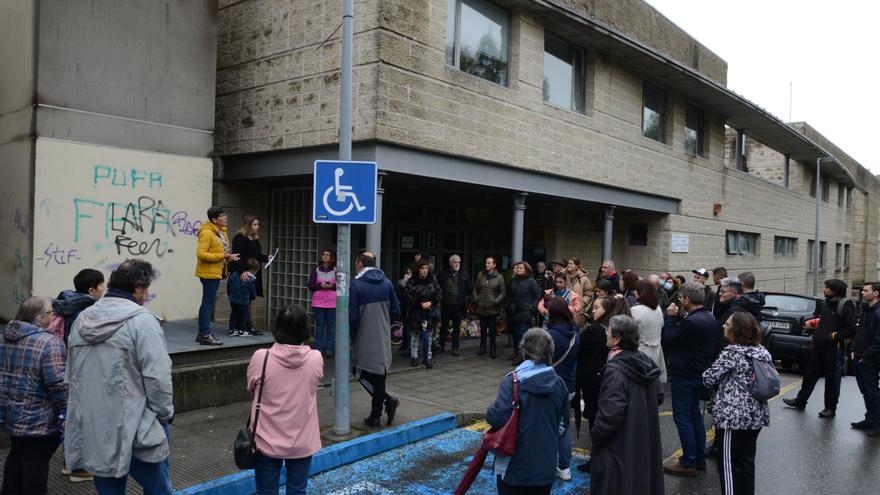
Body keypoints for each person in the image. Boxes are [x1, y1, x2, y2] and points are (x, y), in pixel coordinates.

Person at [65, 259, 174, 494]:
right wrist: (164, 413)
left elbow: (71, 374)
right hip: (138, 423)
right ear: (137, 287)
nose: (146, 295)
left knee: (109, 490)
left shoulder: (82, 319)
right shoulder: (143, 321)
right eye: (146, 289)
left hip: (94, 424)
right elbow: (158, 378)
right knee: (159, 489)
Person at [247, 304, 323, 495]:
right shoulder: (315, 358)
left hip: (265, 439)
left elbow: (252, 388)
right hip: (302, 440)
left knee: (266, 491)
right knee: (297, 491)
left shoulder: (261, 357)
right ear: (305, 330)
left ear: (277, 328)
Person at [486, 328, 569, 495]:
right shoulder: (559, 384)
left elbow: (496, 417)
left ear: (524, 350)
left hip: (514, 465)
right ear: (550, 351)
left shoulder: (512, 382)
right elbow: (562, 426)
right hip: (545, 467)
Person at [590, 315, 664, 495]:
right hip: (643, 436)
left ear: (617, 338)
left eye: (608, 331)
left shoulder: (615, 370)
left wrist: (596, 436)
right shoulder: (645, 361)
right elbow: (659, 395)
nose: (606, 333)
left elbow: (610, 413)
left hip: (620, 443)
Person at [0, 296, 68, 495]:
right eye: (51, 313)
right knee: (36, 461)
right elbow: (57, 383)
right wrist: (67, 410)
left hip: (10, 411)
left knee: (17, 453)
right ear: (41, 317)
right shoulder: (50, 342)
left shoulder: (4, 337)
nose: (53, 317)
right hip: (40, 415)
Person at [702, 312, 772, 495]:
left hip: (733, 418)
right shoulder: (762, 351)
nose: (723, 326)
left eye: (727, 324)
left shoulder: (731, 353)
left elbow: (709, 378)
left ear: (735, 330)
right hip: (756, 416)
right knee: (746, 462)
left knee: (727, 464)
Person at [661, 282, 717, 476]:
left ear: (687, 299)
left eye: (682, 297)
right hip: (698, 372)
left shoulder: (692, 322)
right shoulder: (709, 317)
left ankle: (688, 462)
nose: (680, 300)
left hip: (685, 374)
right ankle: (699, 458)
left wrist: (670, 319)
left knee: (683, 418)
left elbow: (670, 339)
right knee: (694, 417)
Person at [783, 279, 857, 418]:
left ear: (834, 291)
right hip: (819, 347)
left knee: (831, 380)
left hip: (834, 349)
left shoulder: (845, 306)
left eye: (827, 288)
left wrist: (834, 336)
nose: (824, 289)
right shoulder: (827, 304)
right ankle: (800, 401)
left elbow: (851, 329)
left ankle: (830, 408)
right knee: (809, 375)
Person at [575, 295, 630, 473]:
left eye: (597, 307)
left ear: (606, 310)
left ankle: (596, 460)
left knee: (595, 420)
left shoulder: (595, 330)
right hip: (603, 380)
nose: (593, 310)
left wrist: (578, 326)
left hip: (594, 382)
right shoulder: (610, 327)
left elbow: (577, 345)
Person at [350, 251, 402, 427]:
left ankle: (381, 409)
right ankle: (378, 412)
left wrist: (351, 337)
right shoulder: (387, 283)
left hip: (364, 337)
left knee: (358, 372)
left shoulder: (356, 285)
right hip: (383, 335)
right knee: (380, 375)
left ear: (359, 264)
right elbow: (396, 311)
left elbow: (353, 317)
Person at [545, 298, 580, 481]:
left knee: (546, 425)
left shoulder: (550, 336)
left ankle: (545, 463)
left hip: (550, 387)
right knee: (563, 427)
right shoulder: (575, 332)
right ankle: (564, 467)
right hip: (569, 385)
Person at [195, 206, 240, 345]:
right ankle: (205, 334)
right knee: (207, 303)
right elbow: (201, 254)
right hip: (208, 273)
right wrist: (223, 256)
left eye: (226, 215)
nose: (226, 218)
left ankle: (204, 332)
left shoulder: (221, 232)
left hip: (216, 271)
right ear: (214, 219)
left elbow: (222, 252)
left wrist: (228, 257)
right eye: (222, 216)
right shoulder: (207, 233)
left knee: (208, 301)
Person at [230, 215, 272, 334]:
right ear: (248, 225)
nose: (257, 227)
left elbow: (256, 254)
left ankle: (245, 326)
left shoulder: (254, 239)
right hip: (242, 273)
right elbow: (237, 257)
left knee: (248, 300)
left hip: (252, 274)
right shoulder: (239, 238)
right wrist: (242, 271)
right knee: (242, 301)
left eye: (258, 224)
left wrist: (266, 258)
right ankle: (243, 327)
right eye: (254, 224)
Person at [852, 282, 880, 437]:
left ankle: (877, 423)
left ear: (876, 294)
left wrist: (866, 356)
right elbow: (860, 332)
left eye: (866, 290)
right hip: (859, 356)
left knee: (872, 391)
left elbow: (878, 340)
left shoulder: (878, 312)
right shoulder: (866, 310)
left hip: (869, 359)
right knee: (866, 391)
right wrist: (853, 350)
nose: (863, 293)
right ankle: (870, 419)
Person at [405, 259, 442, 369]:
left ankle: (428, 358)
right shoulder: (412, 281)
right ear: (418, 269)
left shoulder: (433, 280)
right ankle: (414, 357)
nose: (425, 271)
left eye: (426, 268)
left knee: (428, 336)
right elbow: (408, 296)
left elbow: (439, 294)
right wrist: (420, 304)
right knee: (415, 335)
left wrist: (431, 302)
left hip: (429, 313)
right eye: (422, 268)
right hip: (416, 313)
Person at [52, 268, 106, 344]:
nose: (103, 288)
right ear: (91, 290)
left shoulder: (66, 304)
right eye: (101, 285)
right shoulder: (85, 312)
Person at [632, 279, 667, 382]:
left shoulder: (635, 310)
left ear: (640, 292)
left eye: (636, 290)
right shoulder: (658, 309)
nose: (634, 292)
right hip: (656, 350)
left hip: (640, 350)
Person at [437, 254, 472, 356]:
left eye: (459, 262)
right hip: (446, 305)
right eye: (455, 262)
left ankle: (455, 347)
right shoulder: (443, 274)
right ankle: (441, 346)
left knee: (457, 327)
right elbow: (437, 287)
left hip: (458, 306)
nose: (457, 264)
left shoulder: (464, 274)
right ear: (450, 263)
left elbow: (469, 288)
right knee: (444, 326)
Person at [507, 261, 542, 362]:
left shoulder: (531, 282)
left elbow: (537, 296)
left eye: (520, 268)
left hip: (525, 312)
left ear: (526, 270)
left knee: (522, 335)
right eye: (517, 268)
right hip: (515, 312)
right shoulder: (513, 281)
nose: (518, 269)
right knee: (516, 335)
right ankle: (518, 354)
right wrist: (510, 305)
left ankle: (523, 356)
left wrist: (532, 307)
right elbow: (510, 295)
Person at [472, 256, 506, 359]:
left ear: (494, 265)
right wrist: (476, 299)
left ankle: (493, 348)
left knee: (492, 329)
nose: (487, 264)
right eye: (486, 262)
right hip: (481, 307)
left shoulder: (499, 277)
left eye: (489, 263)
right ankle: (482, 347)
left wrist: (496, 301)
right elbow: (474, 289)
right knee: (482, 329)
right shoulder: (480, 275)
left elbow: (503, 292)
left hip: (492, 308)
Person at [308, 249, 337, 357]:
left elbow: (341, 285)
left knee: (331, 326)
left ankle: (330, 348)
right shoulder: (315, 270)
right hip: (318, 302)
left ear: (331, 257)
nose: (325, 257)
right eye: (324, 254)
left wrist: (331, 286)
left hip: (332, 302)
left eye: (328, 255)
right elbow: (310, 285)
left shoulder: (336, 270)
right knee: (319, 326)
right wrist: (321, 286)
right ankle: (319, 348)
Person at [228, 258, 261, 337]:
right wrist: (253, 296)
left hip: (233, 299)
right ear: (253, 270)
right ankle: (242, 330)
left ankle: (232, 330)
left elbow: (230, 282)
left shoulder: (235, 273)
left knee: (234, 313)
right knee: (244, 315)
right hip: (243, 300)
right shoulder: (250, 278)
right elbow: (251, 290)